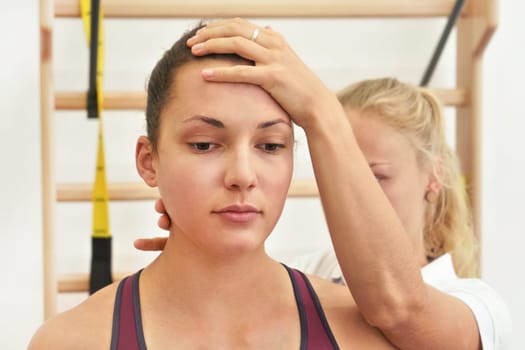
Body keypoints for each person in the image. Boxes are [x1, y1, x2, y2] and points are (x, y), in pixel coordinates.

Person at [28, 19, 403, 349]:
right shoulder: (72, 342)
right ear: (148, 161)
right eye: (204, 144)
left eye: (270, 146)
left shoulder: (362, 335)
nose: (242, 175)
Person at [136, 73, 512, 349]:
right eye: (341, 175)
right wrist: (202, 253)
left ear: (433, 177)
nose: (355, 195)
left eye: (374, 178)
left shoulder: (480, 309)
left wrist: (317, 109)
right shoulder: (307, 275)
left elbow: (397, 306)